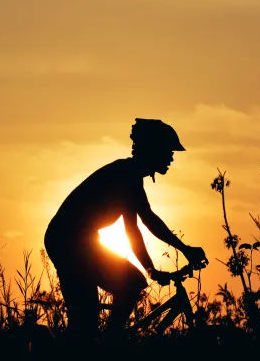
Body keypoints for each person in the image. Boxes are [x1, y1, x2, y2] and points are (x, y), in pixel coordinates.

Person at [44, 118, 208, 342]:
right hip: (70, 240)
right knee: (117, 294)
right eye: (168, 151)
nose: (171, 157)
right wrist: (180, 252)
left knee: (110, 299)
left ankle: (104, 343)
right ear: (153, 150)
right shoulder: (126, 176)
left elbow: (140, 223)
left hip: (77, 240)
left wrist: (154, 267)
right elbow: (142, 225)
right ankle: (108, 345)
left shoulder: (130, 176)